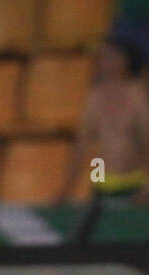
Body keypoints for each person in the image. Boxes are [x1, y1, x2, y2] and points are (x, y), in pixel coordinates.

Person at [60, 39, 149, 242]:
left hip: (132, 186)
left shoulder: (137, 96)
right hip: (101, 185)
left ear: (126, 61)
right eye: (103, 57)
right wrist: (66, 189)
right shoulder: (95, 97)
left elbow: (147, 143)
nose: (105, 62)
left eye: (111, 56)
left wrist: (146, 186)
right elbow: (82, 147)